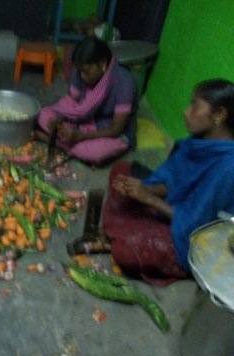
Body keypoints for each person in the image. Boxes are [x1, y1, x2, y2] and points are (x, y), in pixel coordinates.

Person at [100, 79, 234, 286]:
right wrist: (146, 189)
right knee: (121, 172)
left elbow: (197, 227)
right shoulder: (199, 141)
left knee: (125, 252)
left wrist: (149, 199)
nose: (186, 112)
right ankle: (134, 226)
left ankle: (136, 232)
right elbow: (173, 179)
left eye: (195, 106)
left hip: (192, 238)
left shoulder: (228, 168)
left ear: (218, 115)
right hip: (174, 209)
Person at [34, 36, 138, 165]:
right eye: (79, 71)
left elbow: (116, 129)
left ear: (103, 64)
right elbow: (70, 101)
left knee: (93, 152)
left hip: (110, 131)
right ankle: (65, 143)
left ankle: (52, 140)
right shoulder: (81, 70)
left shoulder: (124, 82)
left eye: (86, 71)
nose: (82, 76)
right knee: (43, 115)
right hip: (85, 120)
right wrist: (59, 118)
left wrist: (79, 135)